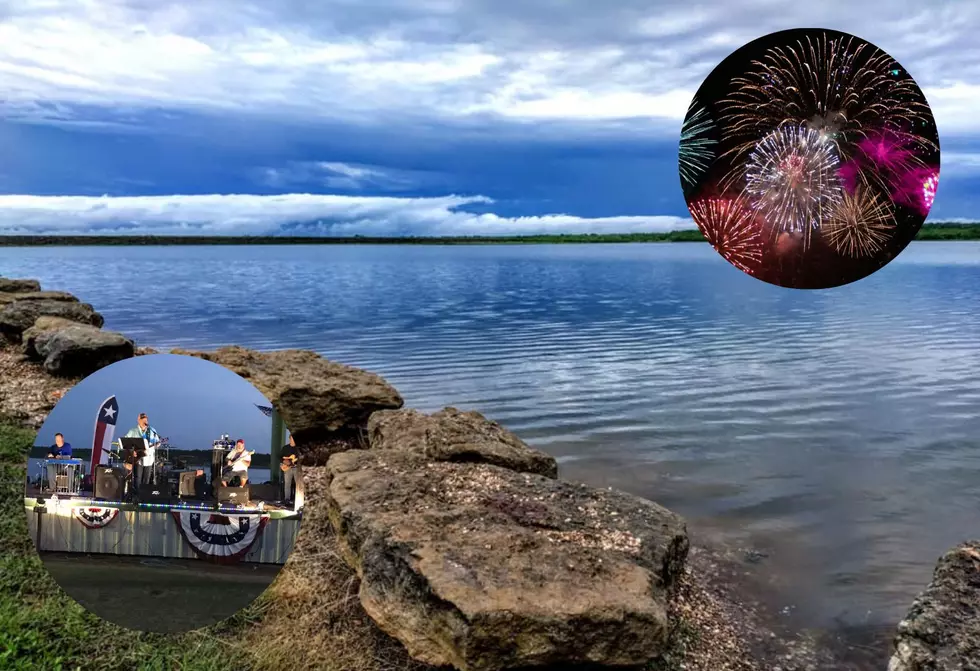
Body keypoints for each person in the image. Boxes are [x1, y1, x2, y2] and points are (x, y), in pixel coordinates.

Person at [124, 413, 162, 487]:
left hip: (149, 458)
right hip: (138, 459)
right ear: (138, 420)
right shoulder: (133, 431)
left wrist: (157, 445)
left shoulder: (152, 431)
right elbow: (125, 442)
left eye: (146, 419)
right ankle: (136, 496)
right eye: (142, 419)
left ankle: (144, 496)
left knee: (146, 479)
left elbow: (158, 442)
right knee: (137, 479)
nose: (145, 421)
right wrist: (132, 451)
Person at [279, 434, 302, 507]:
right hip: (287, 468)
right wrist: (283, 464)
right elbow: (280, 457)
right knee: (287, 484)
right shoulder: (285, 448)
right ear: (289, 439)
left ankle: (299, 500)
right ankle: (287, 500)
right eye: (292, 438)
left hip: (296, 468)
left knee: (298, 485)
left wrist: (295, 460)